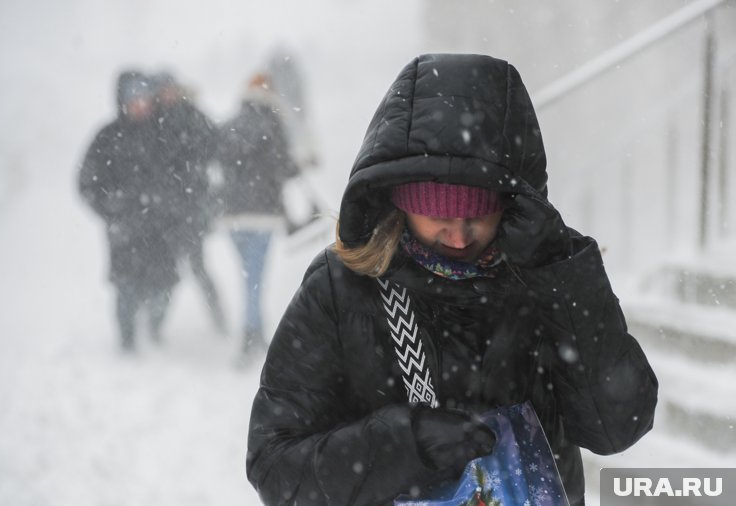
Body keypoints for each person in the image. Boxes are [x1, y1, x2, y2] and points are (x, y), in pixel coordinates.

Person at [246, 54, 658, 505]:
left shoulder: (547, 273)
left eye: (479, 213)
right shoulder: (342, 287)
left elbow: (618, 427)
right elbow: (274, 464)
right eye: (436, 213)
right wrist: (405, 444)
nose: (459, 235)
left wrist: (561, 273)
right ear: (398, 198)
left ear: (513, 199)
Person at [79, 70, 179, 351]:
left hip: (161, 229)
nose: (139, 103)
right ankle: (127, 344)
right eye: (133, 97)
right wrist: (111, 207)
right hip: (124, 230)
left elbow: (183, 176)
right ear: (122, 100)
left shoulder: (164, 134)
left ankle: (156, 330)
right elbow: (86, 182)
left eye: (144, 96)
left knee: (164, 287)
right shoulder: (107, 136)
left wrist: (173, 204)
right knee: (126, 289)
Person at [215, 72, 300, 357]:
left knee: (248, 276)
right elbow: (285, 167)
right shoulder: (273, 123)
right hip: (263, 214)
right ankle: (250, 334)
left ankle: (256, 331)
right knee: (255, 277)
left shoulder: (229, 125)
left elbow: (217, 162)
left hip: (232, 215)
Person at [150, 71, 228, 336]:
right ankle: (155, 326)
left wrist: (202, 179)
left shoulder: (192, 115)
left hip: (191, 209)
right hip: (161, 212)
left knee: (198, 268)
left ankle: (220, 321)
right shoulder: (151, 121)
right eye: (163, 90)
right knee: (166, 273)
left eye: (170, 89)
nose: (167, 95)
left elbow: (217, 145)